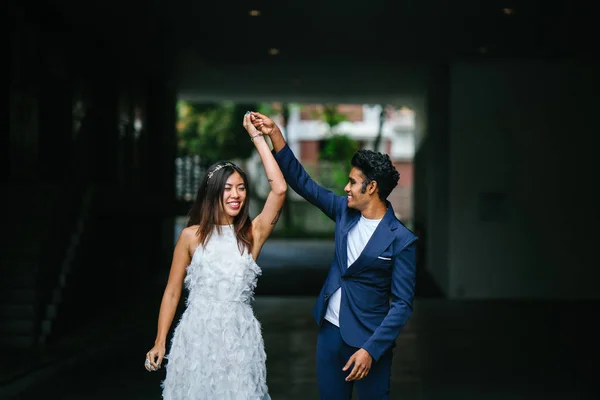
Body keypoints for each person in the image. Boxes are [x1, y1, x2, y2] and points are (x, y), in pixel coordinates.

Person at [250, 111, 417, 400]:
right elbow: (304, 184)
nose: (346, 188)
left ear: (372, 187)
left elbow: (402, 305)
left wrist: (371, 350)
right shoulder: (343, 211)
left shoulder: (402, 240)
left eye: (353, 182)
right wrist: (275, 134)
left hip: (369, 342)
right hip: (330, 334)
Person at [144, 112, 286, 400]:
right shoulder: (190, 237)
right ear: (213, 193)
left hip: (240, 339)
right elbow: (172, 292)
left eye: (242, 188)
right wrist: (160, 342)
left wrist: (258, 138)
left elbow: (280, 189)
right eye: (228, 188)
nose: (236, 195)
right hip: (195, 338)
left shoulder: (252, 233)